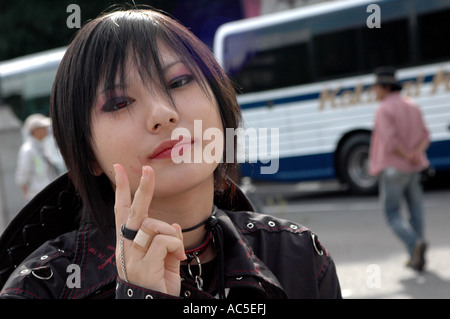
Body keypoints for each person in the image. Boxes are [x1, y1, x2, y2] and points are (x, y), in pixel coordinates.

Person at [0, 7, 341, 299]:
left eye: (179, 82)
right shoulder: (43, 287)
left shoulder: (298, 257)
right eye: (120, 102)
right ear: (86, 153)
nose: (163, 113)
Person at [369, 67, 430, 272]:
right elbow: (425, 135)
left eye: (375, 87)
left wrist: (406, 155)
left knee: (391, 212)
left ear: (385, 87)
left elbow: (391, 142)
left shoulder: (384, 109)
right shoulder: (413, 105)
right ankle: (416, 253)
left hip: (394, 168)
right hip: (414, 168)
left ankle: (414, 244)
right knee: (416, 210)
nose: (374, 91)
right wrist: (415, 155)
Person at [15, 113, 59, 201]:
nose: (46, 129)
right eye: (43, 127)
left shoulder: (42, 146)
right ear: (35, 130)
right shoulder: (28, 150)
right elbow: (22, 176)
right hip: (38, 196)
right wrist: (27, 195)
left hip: (49, 193)